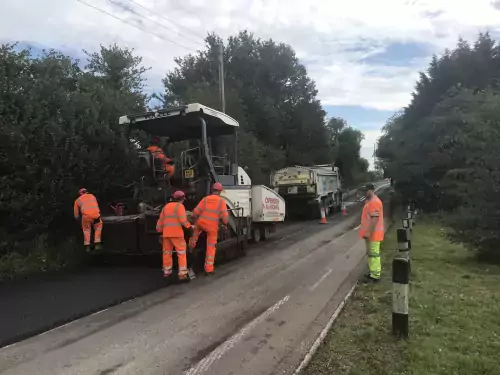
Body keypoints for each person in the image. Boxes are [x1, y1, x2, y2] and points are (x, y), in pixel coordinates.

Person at [189, 182, 229, 275]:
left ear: (212, 190)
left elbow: (195, 212)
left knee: (193, 239)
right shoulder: (221, 201)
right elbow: (225, 218)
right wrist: (225, 224)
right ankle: (208, 269)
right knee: (211, 247)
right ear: (220, 192)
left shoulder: (205, 199)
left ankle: (190, 252)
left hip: (201, 223)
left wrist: (193, 218)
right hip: (211, 227)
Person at [156, 190, 193, 280]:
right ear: (181, 199)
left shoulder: (166, 207)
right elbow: (183, 220)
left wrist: (159, 230)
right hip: (177, 234)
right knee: (181, 253)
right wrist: (190, 227)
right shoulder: (180, 206)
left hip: (166, 234)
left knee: (167, 253)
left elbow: (160, 221)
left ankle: (167, 272)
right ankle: (182, 274)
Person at [359, 183, 384, 283]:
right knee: (371, 254)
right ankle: (372, 272)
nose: (364, 193)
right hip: (370, 234)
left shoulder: (374, 202)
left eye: (366, 191)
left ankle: (375, 275)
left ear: (371, 190)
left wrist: (369, 232)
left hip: (373, 234)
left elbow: (375, 218)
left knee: (374, 254)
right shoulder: (370, 201)